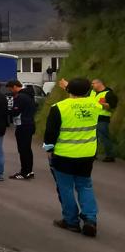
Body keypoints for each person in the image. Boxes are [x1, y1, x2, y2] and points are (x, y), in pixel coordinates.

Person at [44, 77, 101, 237]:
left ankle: (71, 221)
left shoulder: (59, 108)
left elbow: (50, 133)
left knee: (66, 188)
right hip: (87, 154)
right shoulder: (95, 105)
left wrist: (49, 148)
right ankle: (90, 219)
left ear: (69, 91)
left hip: (64, 155)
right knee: (85, 186)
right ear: (88, 92)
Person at [6, 80, 37, 179]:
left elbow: (15, 111)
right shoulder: (29, 95)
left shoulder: (20, 97)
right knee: (27, 149)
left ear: (15, 86)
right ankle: (29, 170)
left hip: (23, 125)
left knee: (23, 149)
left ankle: (25, 172)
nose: (11, 91)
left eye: (11, 88)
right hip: (30, 123)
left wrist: (7, 111)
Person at [90, 78, 118, 162]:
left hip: (102, 118)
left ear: (99, 83)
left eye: (93, 83)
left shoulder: (109, 94)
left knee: (104, 137)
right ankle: (93, 154)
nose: (92, 85)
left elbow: (112, 106)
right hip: (91, 118)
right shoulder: (92, 92)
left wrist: (102, 104)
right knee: (93, 138)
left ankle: (110, 155)